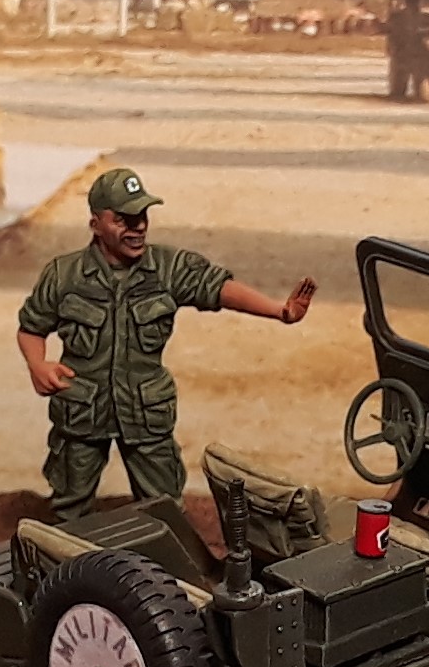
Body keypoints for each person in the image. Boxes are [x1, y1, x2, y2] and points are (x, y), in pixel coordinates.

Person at [16, 166, 316, 522]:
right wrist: (38, 365)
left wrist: (279, 311)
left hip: (146, 413)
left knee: (164, 509)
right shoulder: (64, 275)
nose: (138, 227)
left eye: (142, 217)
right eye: (123, 220)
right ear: (96, 223)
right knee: (69, 505)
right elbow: (31, 327)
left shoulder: (167, 268)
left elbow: (217, 288)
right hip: (82, 412)